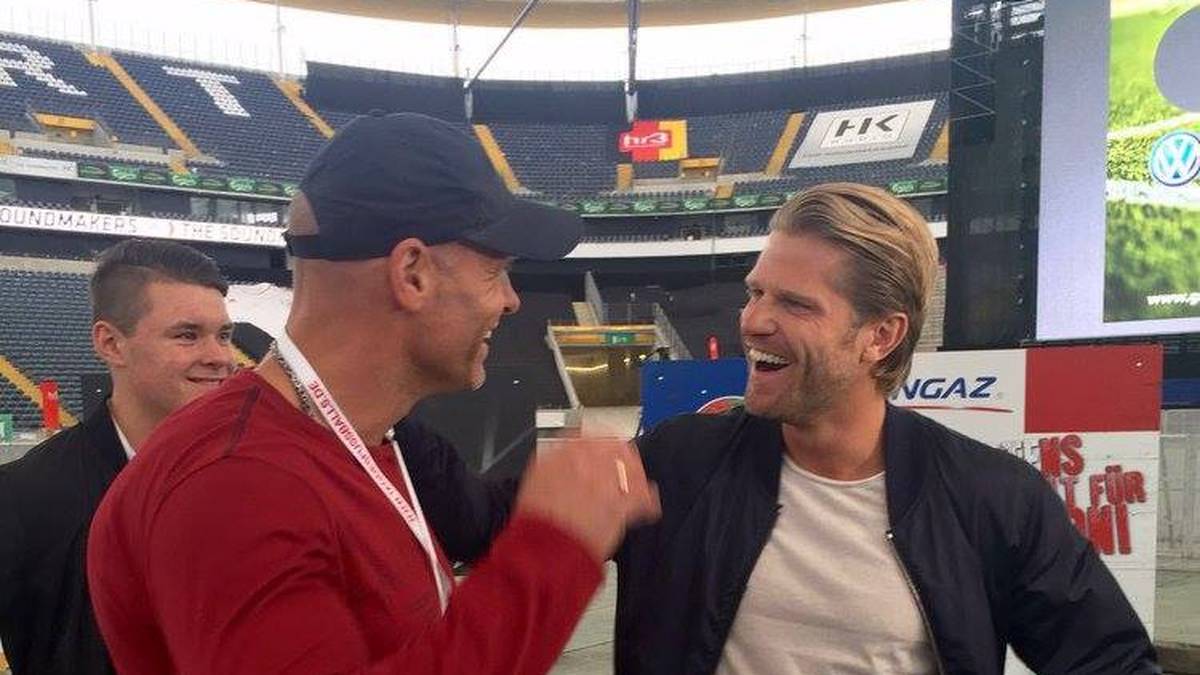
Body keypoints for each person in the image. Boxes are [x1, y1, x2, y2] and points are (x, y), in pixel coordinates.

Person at [87, 112, 660, 675]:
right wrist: (555, 546)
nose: (509, 300)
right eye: (495, 271)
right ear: (411, 273)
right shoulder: (237, 481)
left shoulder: (354, 443)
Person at [614, 183, 1159, 674]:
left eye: (795, 303)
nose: (754, 320)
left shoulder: (993, 497)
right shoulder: (676, 463)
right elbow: (532, 552)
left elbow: (1111, 661)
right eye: (756, 292)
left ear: (880, 336)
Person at [0, 239, 236, 675]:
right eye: (187, 335)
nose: (219, 357)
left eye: (224, 336)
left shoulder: (260, 479)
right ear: (111, 343)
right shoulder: (22, 498)